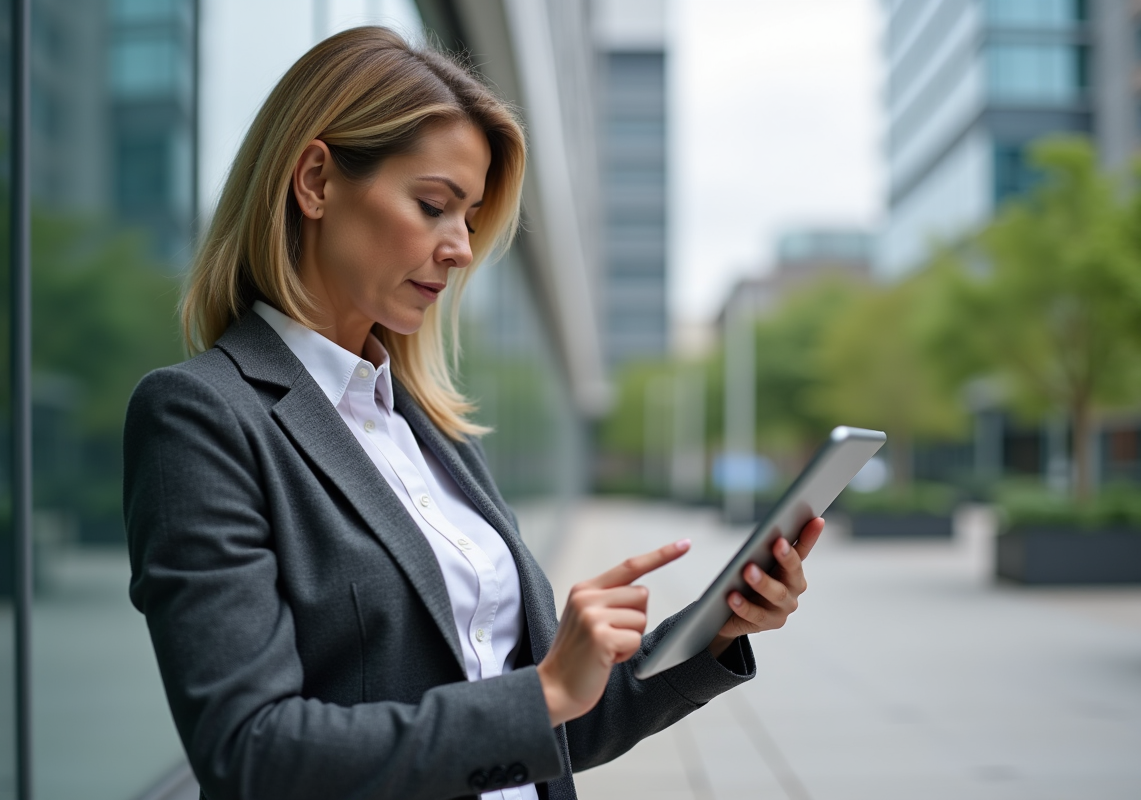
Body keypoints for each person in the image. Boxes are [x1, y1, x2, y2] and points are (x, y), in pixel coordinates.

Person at [123, 27, 820, 800]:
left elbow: (548, 727)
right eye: (433, 206)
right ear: (316, 181)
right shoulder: (202, 417)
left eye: (471, 217)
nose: (460, 249)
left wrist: (715, 630)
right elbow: (252, 753)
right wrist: (547, 692)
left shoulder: (428, 430)